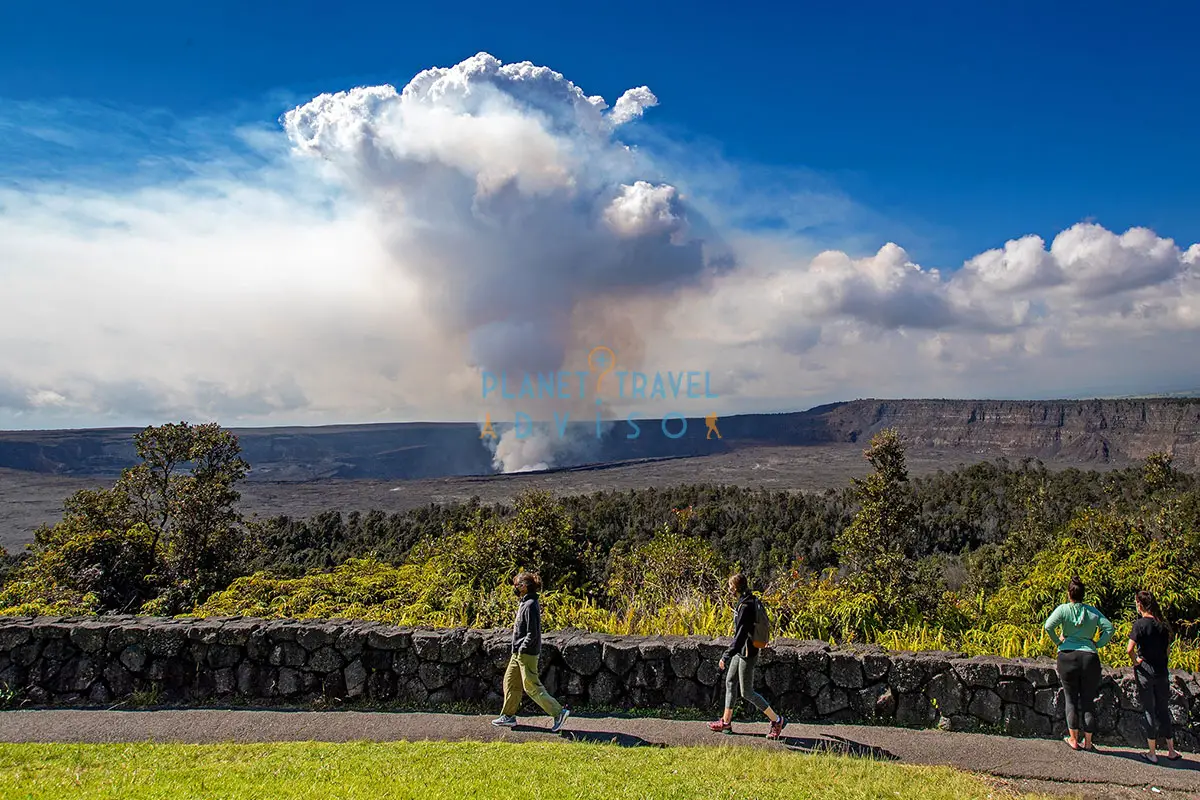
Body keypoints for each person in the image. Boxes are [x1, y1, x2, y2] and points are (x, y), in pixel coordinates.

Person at [707, 573, 787, 739]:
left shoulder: (745, 606)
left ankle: (777, 720)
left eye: (730, 586)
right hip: (742, 650)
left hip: (747, 652)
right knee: (730, 681)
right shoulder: (748, 599)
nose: (728, 589)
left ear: (735, 588)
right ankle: (726, 722)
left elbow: (741, 635)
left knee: (747, 692)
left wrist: (726, 655)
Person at [491, 572, 570, 732]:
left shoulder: (531, 604)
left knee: (531, 686)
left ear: (525, 586)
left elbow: (532, 633)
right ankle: (508, 716)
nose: (515, 588)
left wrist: (522, 648)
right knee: (510, 682)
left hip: (526, 653)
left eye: (518, 585)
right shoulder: (525, 603)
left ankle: (558, 712)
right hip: (518, 653)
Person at [1043, 576, 1114, 751]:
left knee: (1071, 698)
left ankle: (1073, 739)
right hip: (1089, 656)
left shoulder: (1063, 610)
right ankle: (1089, 742)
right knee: (1088, 699)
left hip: (1067, 656)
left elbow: (1048, 626)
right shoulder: (1092, 612)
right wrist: (1098, 643)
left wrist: (1059, 642)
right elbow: (1109, 628)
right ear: (1084, 595)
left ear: (1069, 594)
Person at [1127, 590, 1181, 763]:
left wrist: (1136, 661)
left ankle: (1152, 752)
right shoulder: (1163, 625)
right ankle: (1171, 750)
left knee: (1149, 710)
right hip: (1161, 671)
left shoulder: (1140, 625)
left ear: (1140, 604)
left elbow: (1129, 649)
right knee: (1163, 709)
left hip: (1145, 671)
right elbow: (1167, 650)